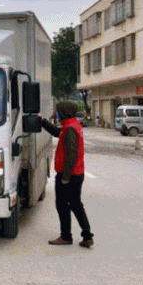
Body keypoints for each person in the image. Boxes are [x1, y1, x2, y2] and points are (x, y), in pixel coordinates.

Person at [40, 101, 94, 248]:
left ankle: (66, 236)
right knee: (76, 205)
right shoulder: (71, 126)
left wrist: (66, 177)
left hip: (69, 175)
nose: (57, 114)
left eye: (59, 111)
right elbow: (57, 133)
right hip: (76, 173)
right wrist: (44, 123)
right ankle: (87, 236)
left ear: (66, 112)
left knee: (63, 205)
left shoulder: (70, 129)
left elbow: (71, 155)